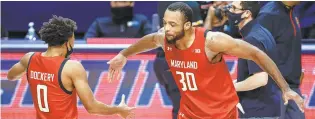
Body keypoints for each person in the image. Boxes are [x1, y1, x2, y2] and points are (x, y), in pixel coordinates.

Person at [107, 2, 304, 119]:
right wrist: (124, 54)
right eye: (165, 23)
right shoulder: (164, 38)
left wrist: (285, 88)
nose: (167, 28)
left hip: (221, 113)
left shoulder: (212, 42)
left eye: (172, 24)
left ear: (187, 26)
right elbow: (148, 40)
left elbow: (258, 55)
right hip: (190, 112)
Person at [7, 15, 135, 119]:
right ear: (68, 41)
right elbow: (92, 107)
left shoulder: (29, 58)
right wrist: (118, 109)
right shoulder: (72, 67)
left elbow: (11, 76)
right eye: (74, 39)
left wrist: (36, 74)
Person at [228, 1, 281, 118]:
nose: (229, 11)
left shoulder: (252, 39)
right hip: (268, 107)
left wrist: (229, 88)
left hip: (258, 111)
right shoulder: (263, 32)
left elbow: (260, 79)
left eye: (234, 8)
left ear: (247, 13)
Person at [257, 1, 305, 119]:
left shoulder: (291, 11)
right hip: (273, 90)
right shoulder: (268, 14)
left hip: (292, 87)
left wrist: (296, 71)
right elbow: (257, 53)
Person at [84, 1, 151, 39]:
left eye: (124, 1)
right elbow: (87, 42)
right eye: (116, 1)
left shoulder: (142, 21)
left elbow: (154, 40)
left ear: (132, 3)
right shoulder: (99, 23)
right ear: (112, 3)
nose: (120, 5)